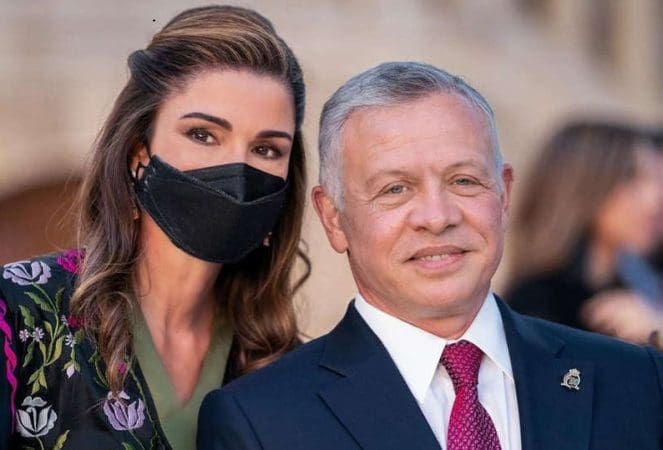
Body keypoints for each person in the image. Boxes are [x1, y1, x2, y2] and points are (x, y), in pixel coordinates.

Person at [198, 62, 663, 450]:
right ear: (333, 218)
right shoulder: (260, 422)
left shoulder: (636, 380)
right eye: (395, 189)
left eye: (464, 181)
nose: (437, 217)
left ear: (504, 195)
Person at [0, 5, 309, 449]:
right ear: (137, 155)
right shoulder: (20, 313)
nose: (237, 169)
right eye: (203, 135)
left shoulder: (286, 366)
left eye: (266, 149)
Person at [505, 121, 662, 343]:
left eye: (655, 180)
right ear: (588, 186)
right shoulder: (536, 307)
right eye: (632, 179)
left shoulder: (642, 292)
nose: (654, 199)